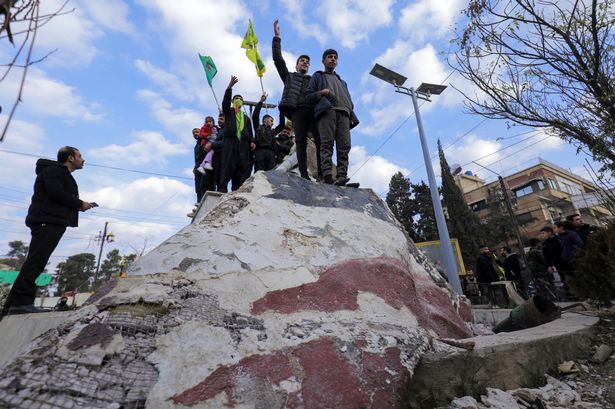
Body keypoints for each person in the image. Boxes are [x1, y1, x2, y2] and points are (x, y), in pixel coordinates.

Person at [1, 146, 94, 317]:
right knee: (35, 262)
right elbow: (56, 193)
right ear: (70, 158)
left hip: (52, 221)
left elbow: (58, 196)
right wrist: (79, 204)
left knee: (35, 262)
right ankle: (22, 303)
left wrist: (78, 206)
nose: (83, 159)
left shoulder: (60, 173)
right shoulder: (54, 171)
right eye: (80, 156)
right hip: (47, 221)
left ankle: (11, 307)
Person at [272, 19, 321, 180]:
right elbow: (278, 59)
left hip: (312, 113)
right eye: (302, 61)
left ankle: (323, 174)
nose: (305, 63)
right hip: (297, 112)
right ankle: (304, 174)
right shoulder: (289, 77)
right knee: (300, 142)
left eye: (307, 62)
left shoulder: (313, 80)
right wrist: (277, 37)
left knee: (321, 141)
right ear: (296, 65)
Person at [306, 48, 359, 185]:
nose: (333, 59)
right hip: (327, 111)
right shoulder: (317, 76)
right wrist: (322, 93)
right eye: (330, 57)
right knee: (327, 144)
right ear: (323, 60)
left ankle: (342, 177)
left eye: (335, 57)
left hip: (344, 114)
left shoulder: (342, 81)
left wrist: (351, 111)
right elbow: (308, 96)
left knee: (344, 146)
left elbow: (347, 99)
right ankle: (328, 176)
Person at [214, 76, 255, 193]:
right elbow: (225, 103)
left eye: (240, 99)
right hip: (230, 142)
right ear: (233, 102)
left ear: (242, 102)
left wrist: (252, 141)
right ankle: (221, 190)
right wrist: (229, 88)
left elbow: (250, 131)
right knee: (227, 166)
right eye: (236, 98)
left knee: (241, 169)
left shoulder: (246, 118)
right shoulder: (229, 112)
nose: (238, 100)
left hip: (243, 144)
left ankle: (238, 191)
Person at [252, 94, 285, 172]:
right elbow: (255, 115)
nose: (272, 123)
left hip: (271, 154)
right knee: (258, 173)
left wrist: (281, 111)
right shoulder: (258, 128)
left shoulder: (273, 132)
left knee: (270, 174)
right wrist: (261, 102)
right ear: (265, 120)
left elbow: (282, 125)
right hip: (260, 152)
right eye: (271, 120)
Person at [192, 127, 207, 203]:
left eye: (197, 132)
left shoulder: (205, 142)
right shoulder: (196, 146)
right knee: (198, 188)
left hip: (205, 167)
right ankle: (198, 203)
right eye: (193, 133)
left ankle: (204, 202)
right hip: (197, 168)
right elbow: (196, 159)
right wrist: (195, 168)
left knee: (203, 185)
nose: (195, 134)